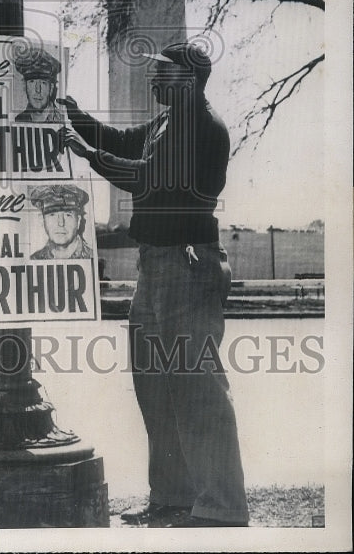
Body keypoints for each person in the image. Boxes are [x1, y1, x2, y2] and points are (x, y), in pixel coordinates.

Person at [62, 42, 249, 528]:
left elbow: (149, 178)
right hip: (158, 264)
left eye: (161, 72)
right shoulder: (170, 121)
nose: (153, 80)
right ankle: (173, 496)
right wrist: (75, 115)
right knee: (156, 385)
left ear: (187, 79)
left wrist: (88, 155)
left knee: (194, 385)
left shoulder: (202, 127)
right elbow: (126, 141)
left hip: (186, 265)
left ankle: (222, 508)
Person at [29, 184, 94, 259]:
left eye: (68, 215)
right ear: (42, 220)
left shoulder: (94, 258)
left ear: (78, 221)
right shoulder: (34, 259)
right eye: (52, 215)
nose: (61, 223)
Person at [14, 47, 65, 123]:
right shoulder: (19, 120)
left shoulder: (62, 121)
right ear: (25, 86)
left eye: (43, 83)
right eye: (32, 82)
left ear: (51, 88)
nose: (38, 90)